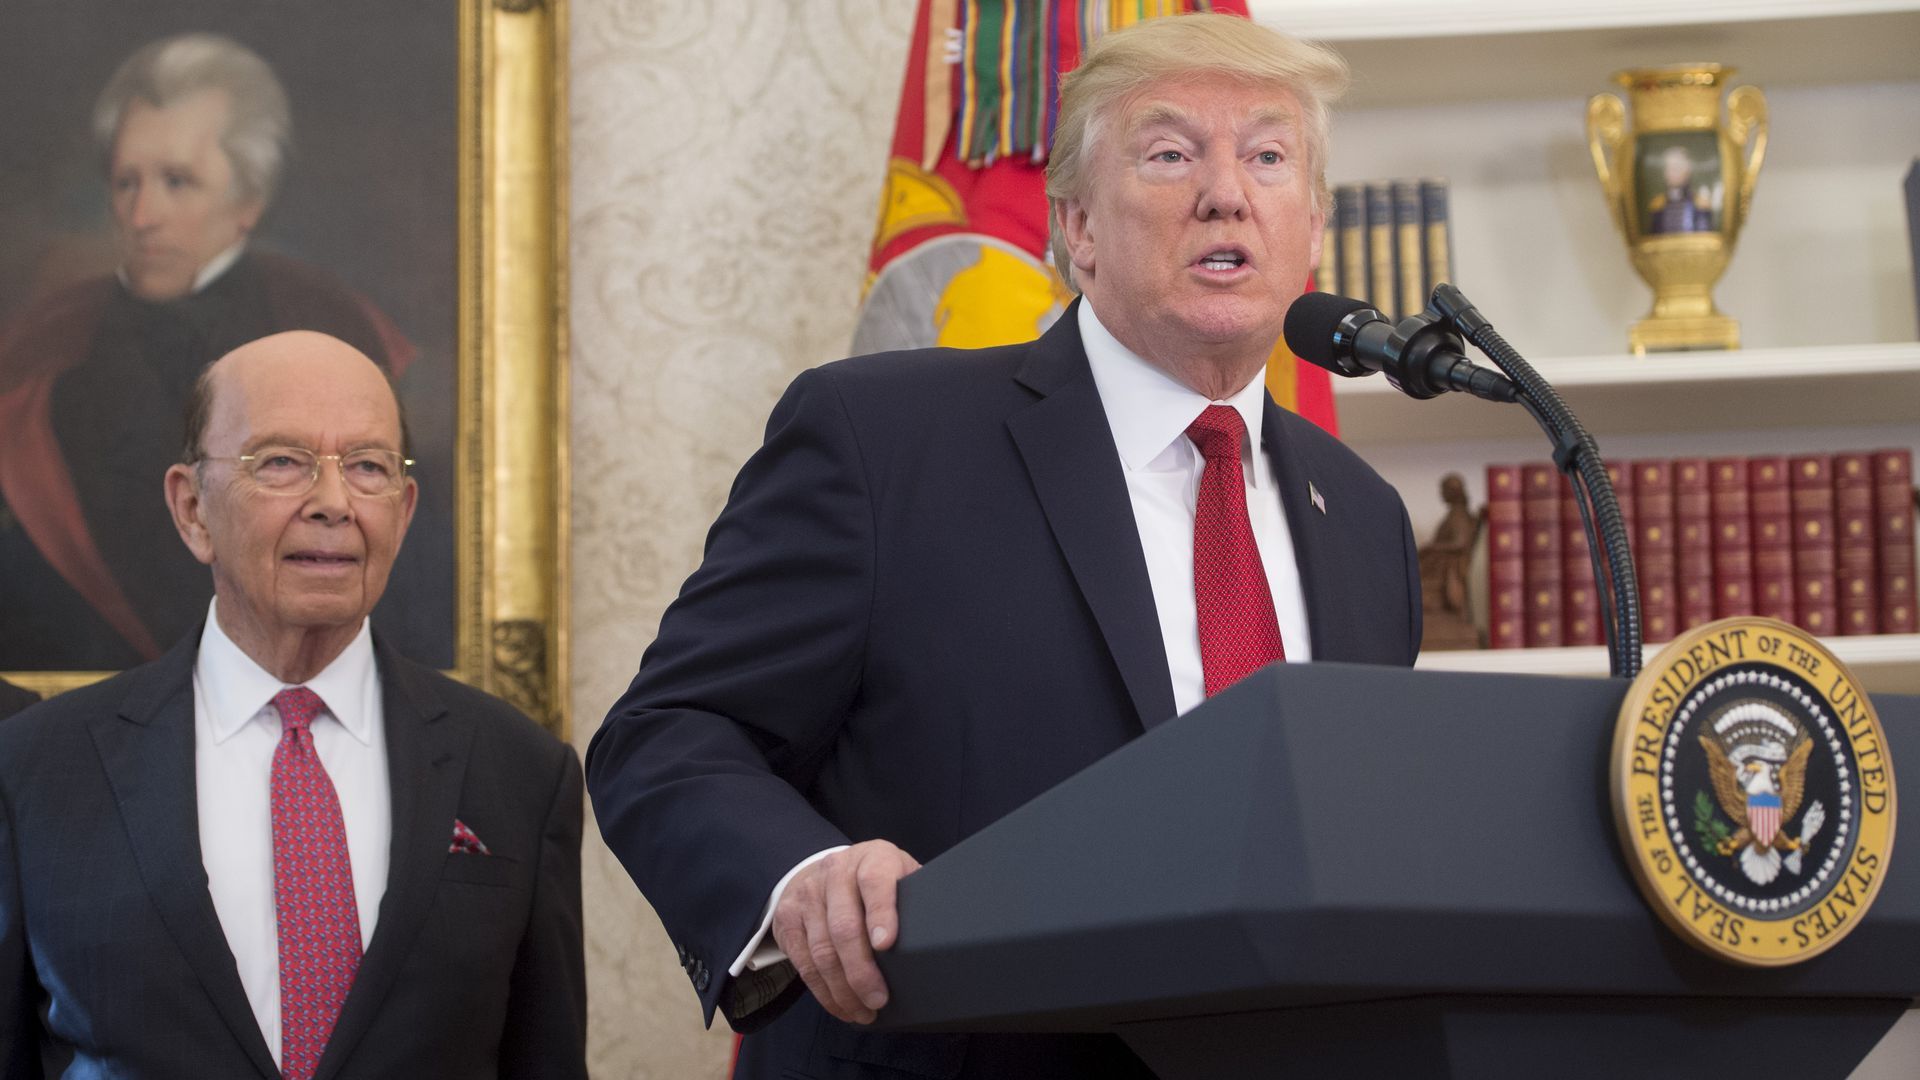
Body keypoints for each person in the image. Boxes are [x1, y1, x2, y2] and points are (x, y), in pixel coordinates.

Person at [588, 14, 1419, 1080]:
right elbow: (666, 734)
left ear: (1312, 228)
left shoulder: (1362, 518)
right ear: (1076, 224)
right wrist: (803, 875)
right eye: (1169, 154)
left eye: (1267, 156)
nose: (1226, 193)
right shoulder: (882, 442)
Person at [0, 332, 585, 1078]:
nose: (334, 503)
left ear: (403, 513)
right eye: (281, 462)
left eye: (368, 467)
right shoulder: (35, 769)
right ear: (192, 509)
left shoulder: (521, 774)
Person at [0, 32, 418, 671]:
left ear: (247, 200)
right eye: (125, 183)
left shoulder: (332, 324)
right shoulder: (51, 340)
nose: (143, 216)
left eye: (177, 182)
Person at [1646, 144, 1714, 235]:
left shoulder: (1701, 204)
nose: (1671, 172)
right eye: (1669, 167)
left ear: (1687, 171)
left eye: (1676, 167)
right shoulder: (1657, 205)